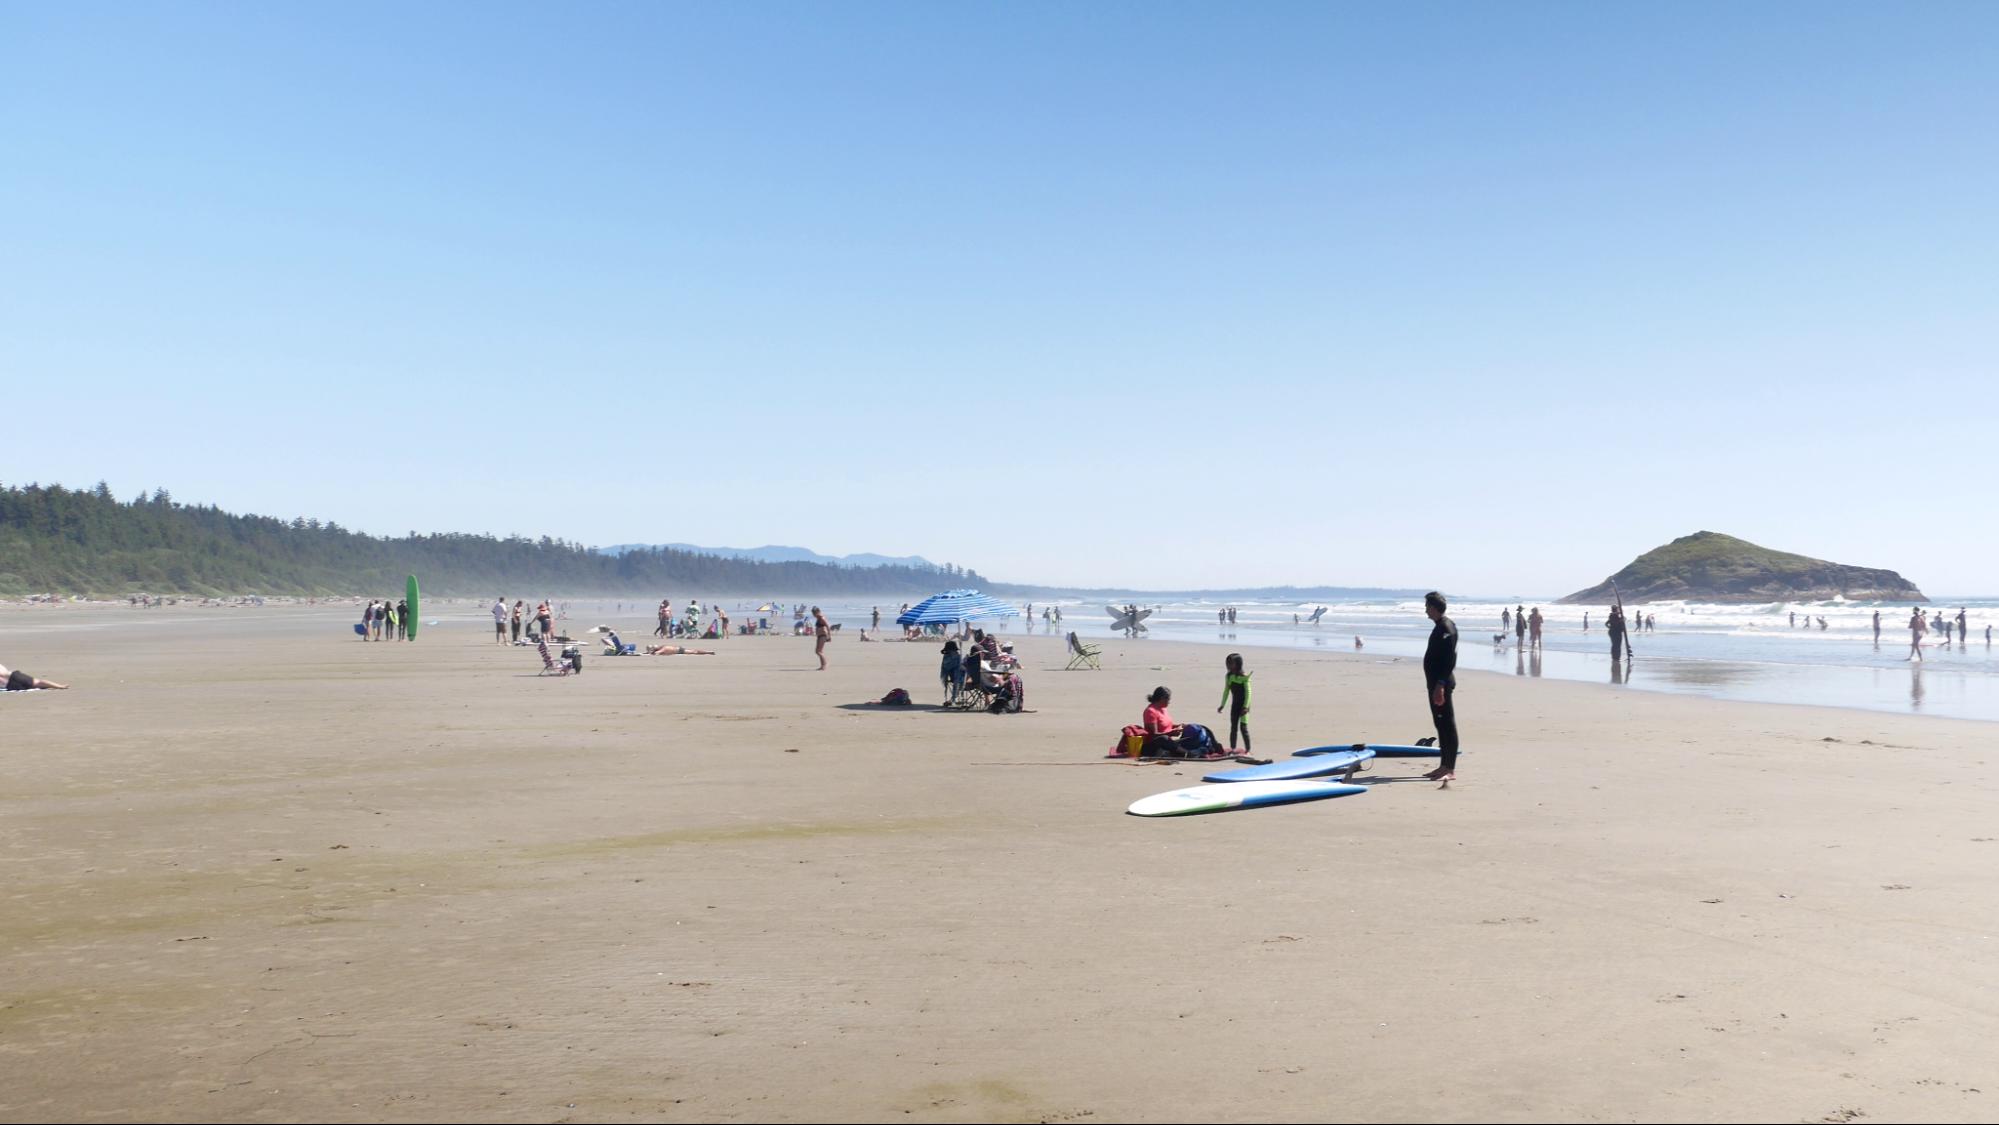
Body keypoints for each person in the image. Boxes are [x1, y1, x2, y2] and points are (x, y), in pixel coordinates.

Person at [1421, 591, 1459, 783]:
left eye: (1427, 607)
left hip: (1441, 685)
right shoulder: (1440, 626)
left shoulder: (1446, 627)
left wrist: (1441, 684)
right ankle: (1443, 765)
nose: (1425, 610)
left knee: (1447, 725)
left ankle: (1450, 769)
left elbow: (1450, 659)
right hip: (1435, 684)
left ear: (1434, 608)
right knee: (1440, 724)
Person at [1215, 652, 1252, 752]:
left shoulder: (1244, 677)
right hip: (1235, 705)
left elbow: (1248, 693)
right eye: (1227, 663)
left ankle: (1248, 750)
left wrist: (1245, 707)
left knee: (1243, 728)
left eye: (1231, 663)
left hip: (1244, 706)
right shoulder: (1229, 676)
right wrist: (1222, 705)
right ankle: (1232, 748)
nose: (1228, 665)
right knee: (1233, 728)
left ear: (1238, 664)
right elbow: (1226, 691)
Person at [1141, 686, 1183, 756]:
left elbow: (1166, 725)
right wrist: (1171, 733)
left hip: (1168, 742)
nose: (1169, 702)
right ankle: (1187, 753)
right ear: (1162, 698)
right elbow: (1155, 735)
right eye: (1168, 699)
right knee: (1163, 738)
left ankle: (1187, 751)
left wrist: (1179, 726)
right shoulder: (1150, 711)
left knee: (1190, 732)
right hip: (1152, 746)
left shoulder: (1163, 709)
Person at [2, 662, 68, 690]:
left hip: (10, 683)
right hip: (13, 676)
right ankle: (60, 686)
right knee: (38, 682)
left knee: (37, 683)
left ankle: (60, 686)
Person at [812, 606, 831, 670]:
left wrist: (829, 636)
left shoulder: (822, 618)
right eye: (813, 613)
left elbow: (828, 626)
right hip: (819, 635)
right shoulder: (818, 618)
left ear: (818, 612)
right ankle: (822, 665)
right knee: (818, 651)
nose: (813, 614)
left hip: (823, 635)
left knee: (818, 651)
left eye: (814, 613)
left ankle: (825, 664)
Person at [642, 643, 716, 655]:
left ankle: (708, 652)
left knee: (694, 652)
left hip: (679, 650)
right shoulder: (662, 647)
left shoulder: (663, 648)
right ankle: (708, 652)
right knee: (694, 651)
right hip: (678, 649)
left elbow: (657, 653)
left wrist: (650, 653)